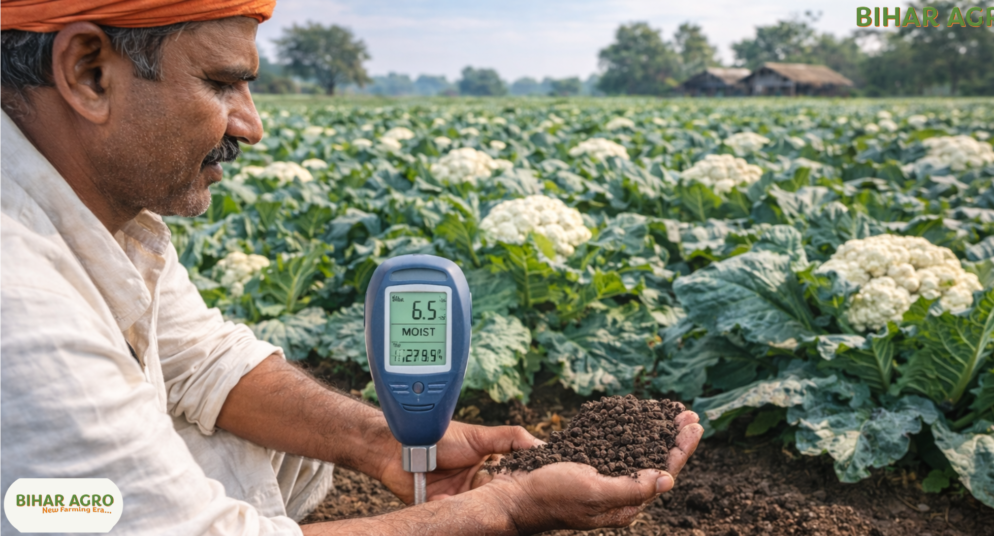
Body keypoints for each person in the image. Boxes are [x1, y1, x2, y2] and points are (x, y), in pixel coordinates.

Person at [0, 1, 704, 534]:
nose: (252, 124)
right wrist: (508, 506)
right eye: (222, 83)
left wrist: (383, 443)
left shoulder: (101, 207)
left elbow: (197, 359)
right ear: (89, 73)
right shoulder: (20, 302)